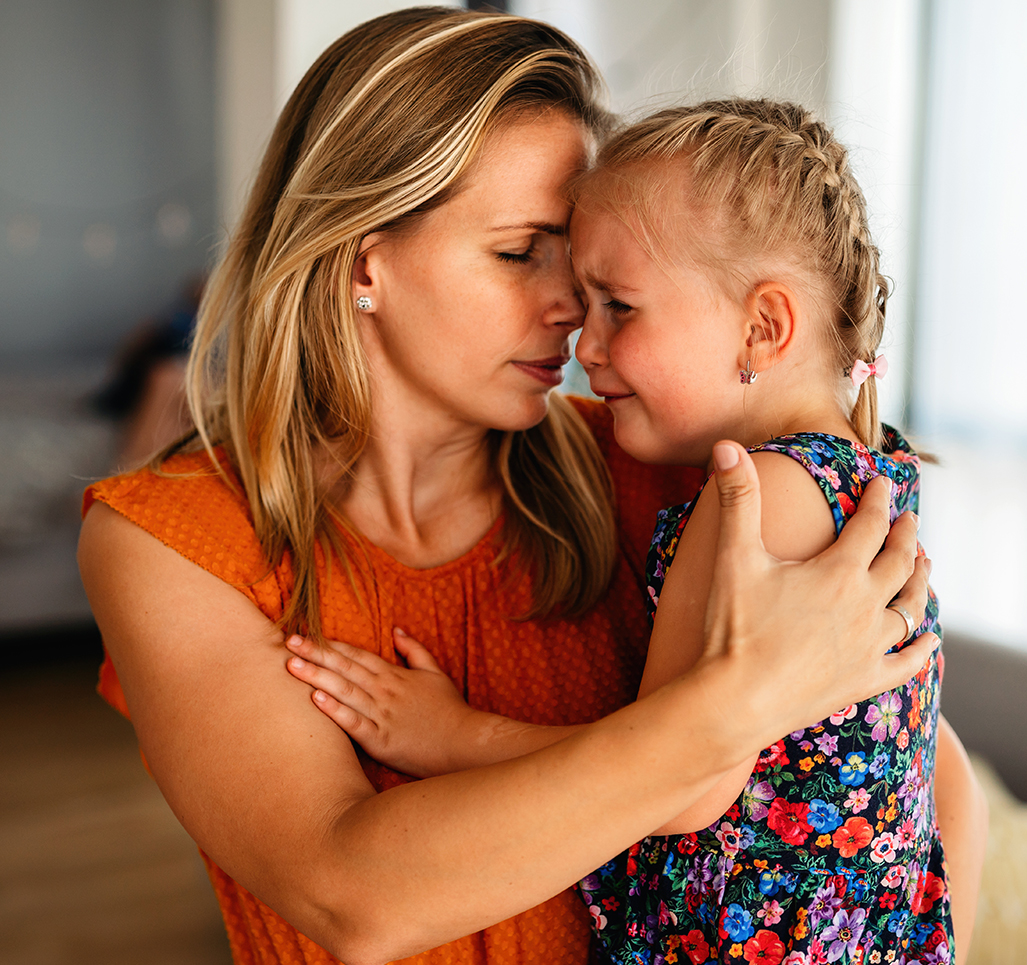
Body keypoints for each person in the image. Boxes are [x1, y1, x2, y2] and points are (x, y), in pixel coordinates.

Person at [78, 10, 938, 965]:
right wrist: (739, 704)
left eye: (585, 265)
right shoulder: (171, 540)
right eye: (521, 249)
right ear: (365, 260)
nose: (571, 307)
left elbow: (924, 777)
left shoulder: (675, 468)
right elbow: (351, 895)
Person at [285, 99, 988, 964]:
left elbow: (684, 779)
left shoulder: (749, 497)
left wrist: (450, 734)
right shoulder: (870, 469)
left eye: (617, 305)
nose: (585, 343)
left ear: (762, 327)